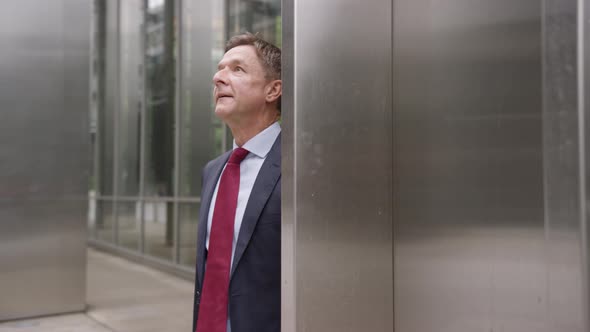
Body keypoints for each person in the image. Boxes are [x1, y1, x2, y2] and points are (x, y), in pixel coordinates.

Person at [192, 32, 282, 332]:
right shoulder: (213, 171)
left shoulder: (299, 170)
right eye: (219, 68)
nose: (218, 78)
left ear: (273, 90)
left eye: (237, 69)